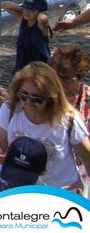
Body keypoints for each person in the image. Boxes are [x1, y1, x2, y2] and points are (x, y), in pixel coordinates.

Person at [0, 61, 90, 191]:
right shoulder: (10, 109)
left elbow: (87, 156)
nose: (28, 102)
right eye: (23, 95)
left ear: (51, 97)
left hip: (62, 192)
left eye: (36, 99)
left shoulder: (68, 119)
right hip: (21, 190)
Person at [49, 45, 90, 195]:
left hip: (83, 170)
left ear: (80, 77)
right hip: (50, 171)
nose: (59, 83)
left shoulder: (87, 99)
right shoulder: (43, 95)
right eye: (55, 76)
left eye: (66, 79)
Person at [2, 0, 51, 74]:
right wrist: (23, 9)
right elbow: (4, 5)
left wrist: (38, 12)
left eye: (31, 10)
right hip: (21, 67)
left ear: (39, 12)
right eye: (26, 9)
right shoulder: (24, 19)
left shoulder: (41, 26)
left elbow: (43, 18)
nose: (27, 12)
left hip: (39, 69)